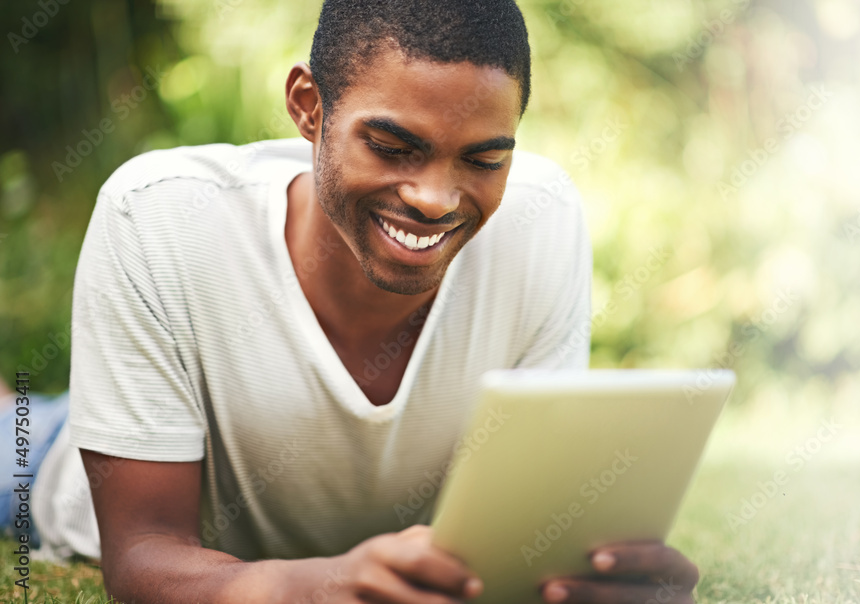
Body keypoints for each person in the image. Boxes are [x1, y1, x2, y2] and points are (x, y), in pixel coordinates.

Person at [28, 1, 701, 602]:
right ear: (308, 105)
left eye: (484, 160)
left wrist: (597, 575)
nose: (435, 198)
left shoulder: (542, 219)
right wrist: (313, 586)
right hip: (74, 455)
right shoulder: (159, 215)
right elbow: (143, 558)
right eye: (392, 146)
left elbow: (528, 534)